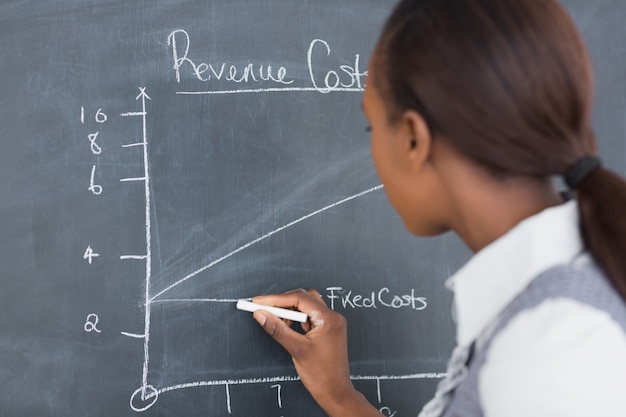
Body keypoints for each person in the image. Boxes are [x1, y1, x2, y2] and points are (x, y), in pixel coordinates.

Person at [250, 0, 626, 416]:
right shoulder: (562, 302)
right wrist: (340, 396)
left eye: (372, 127)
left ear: (413, 138)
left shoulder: (548, 352)